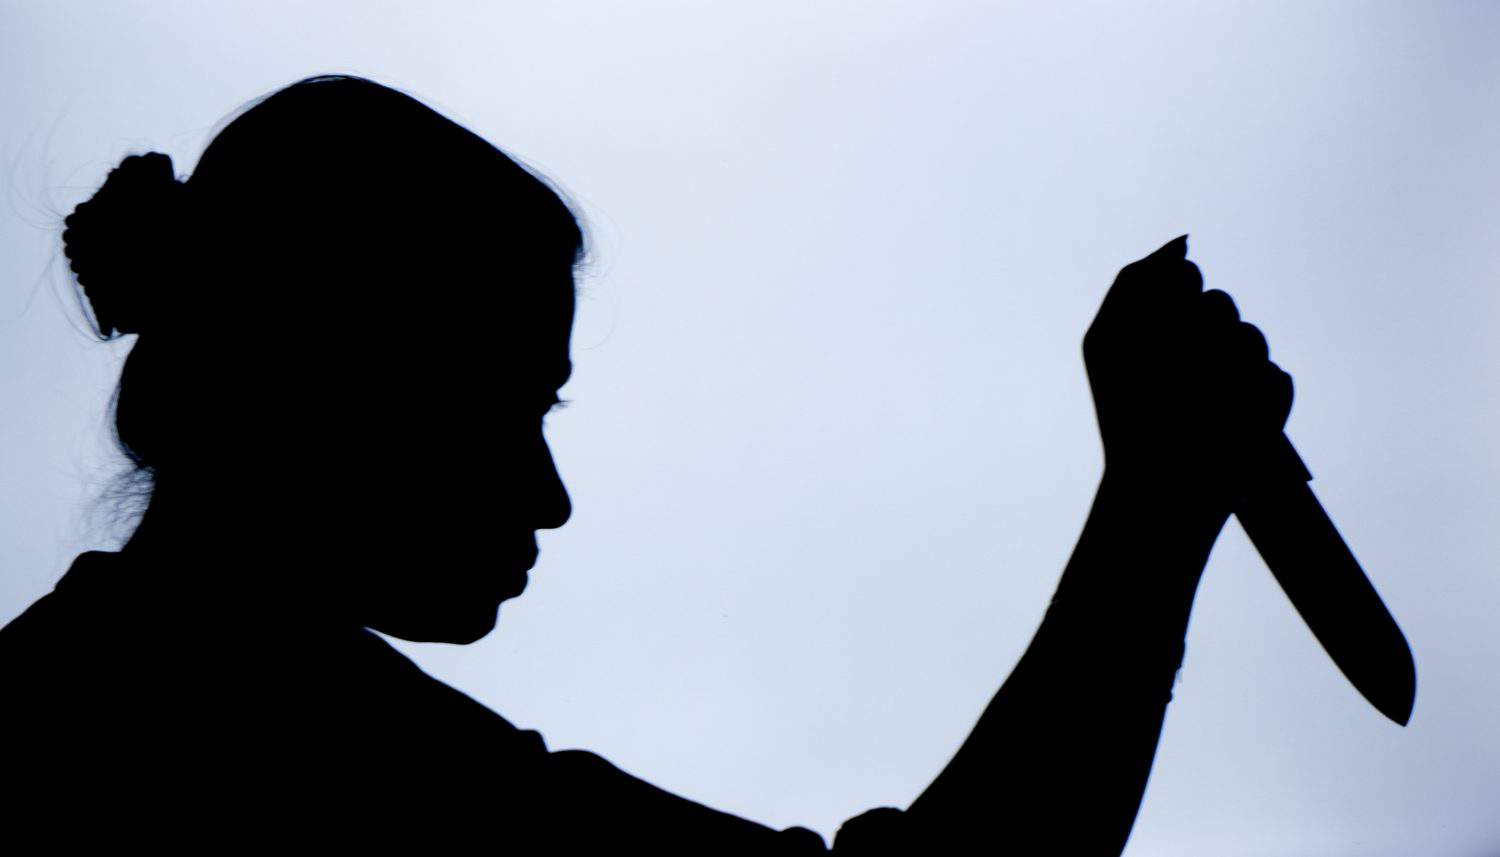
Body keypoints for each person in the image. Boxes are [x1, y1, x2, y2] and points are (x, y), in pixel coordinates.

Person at [0, 75, 1292, 852]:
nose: (550, 493)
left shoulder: (115, 690)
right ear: (334, 381)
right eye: (508, 404)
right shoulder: (298, 748)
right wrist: (1159, 497)